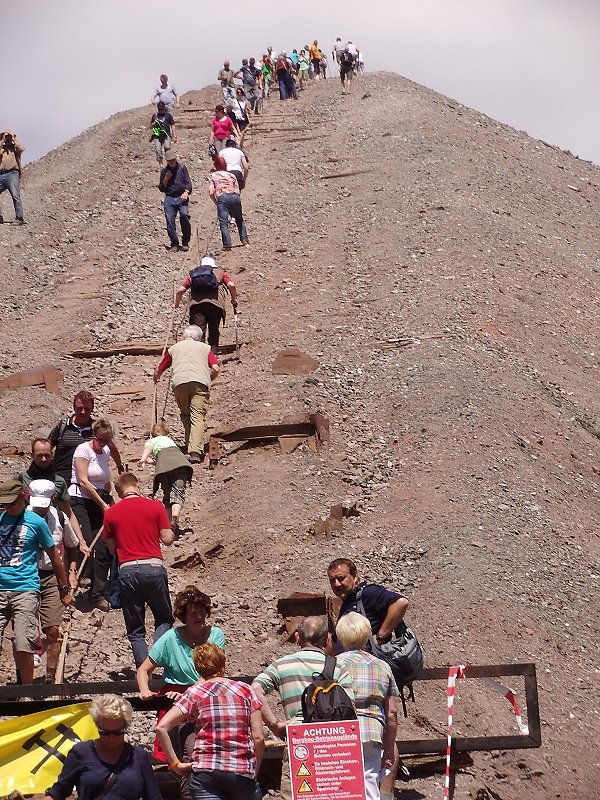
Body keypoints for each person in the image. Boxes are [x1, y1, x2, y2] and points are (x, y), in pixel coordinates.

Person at [327, 558, 410, 799]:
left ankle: (384, 792)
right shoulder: (348, 603)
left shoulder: (369, 593)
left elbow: (401, 602)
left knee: (384, 727)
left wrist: (380, 636)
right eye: (333, 580)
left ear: (355, 575)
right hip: (364, 670)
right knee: (379, 730)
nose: (337, 583)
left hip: (372, 670)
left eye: (341, 578)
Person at [252, 615, 354, 800]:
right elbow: (351, 706)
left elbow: (255, 690)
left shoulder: (281, 665)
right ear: (327, 639)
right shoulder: (338, 666)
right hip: (334, 743)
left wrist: (274, 725)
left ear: (297, 637)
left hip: (298, 740)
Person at [157, 643, 264, 800]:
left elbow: (162, 727)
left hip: (205, 770)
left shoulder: (195, 692)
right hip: (241, 769)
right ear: (223, 661)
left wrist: (175, 764)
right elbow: (259, 737)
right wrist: (254, 769)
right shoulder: (245, 690)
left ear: (198, 668)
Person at [137, 586, 225, 763]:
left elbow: (213, 671)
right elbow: (143, 669)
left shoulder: (215, 634)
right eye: (193, 613)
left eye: (201, 612)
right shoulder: (171, 638)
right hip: (173, 695)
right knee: (171, 747)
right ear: (184, 616)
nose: (199, 617)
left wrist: (189, 695)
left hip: (206, 692)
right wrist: (145, 690)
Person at [0, 476, 72, 686]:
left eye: (12, 502)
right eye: (4, 504)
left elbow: (55, 557)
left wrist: (63, 587)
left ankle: (27, 691)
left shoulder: (36, 523)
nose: (8, 507)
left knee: (24, 642)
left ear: (23, 497)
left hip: (25, 588)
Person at [103, 472, 174, 668]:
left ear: (119, 493)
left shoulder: (110, 513)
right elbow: (167, 539)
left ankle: (144, 672)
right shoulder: (155, 506)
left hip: (127, 570)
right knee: (163, 617)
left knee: (135, 629)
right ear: (137, 485)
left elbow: (111, 548)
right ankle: (158, 658)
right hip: (153, 567)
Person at [44, 694, 161, 800]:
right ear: (97, 725)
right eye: (105, 732)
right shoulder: (81, 752)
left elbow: (154, 796)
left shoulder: (139, 756)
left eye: (117, 732)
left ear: (126, 727)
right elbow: (58, 792)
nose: (111, 738)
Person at [336, 612, 399, 800]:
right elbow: (392, 713)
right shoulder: (382, 667)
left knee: (342, 785)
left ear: (341, 636)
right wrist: (389, 748)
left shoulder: (334, 665)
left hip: (341, 731)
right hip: (372, 732)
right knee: (369, 782)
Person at [28, 479, 80, 683]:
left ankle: (50, 677)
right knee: (27, 631)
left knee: (53, 629)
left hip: (52, 576)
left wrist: (72, 571)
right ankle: (26, 680)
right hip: (27, 575)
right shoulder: (21, 518)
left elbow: (72, 544)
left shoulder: (60, 517)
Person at [153, 326, 220, 464]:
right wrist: (209, 379)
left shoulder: (174, 348)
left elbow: (160, 368)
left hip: (180, 384)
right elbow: (215, 367)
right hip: (200, 384)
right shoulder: (205, 348)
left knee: (186, 414)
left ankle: (190, 444)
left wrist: (156, 377)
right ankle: (195, 451)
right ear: (199, 337)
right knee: (198, 416)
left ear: (185, 336)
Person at [68, 418, 116, 612]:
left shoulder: (105, 452)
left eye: (105, 441)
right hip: (81, 499)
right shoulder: (83, 450)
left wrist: (111, 498)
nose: (102, 444)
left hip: (100, 500)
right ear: (94, 436)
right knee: (86, 539)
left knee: (103, 546)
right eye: (99, 440)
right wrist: (103, 504)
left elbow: (106, 479)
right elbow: (84, 481)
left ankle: (97, 593)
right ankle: (81, 577)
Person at [23, 437, 88, 556]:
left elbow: (69, 513)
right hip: (27, 536)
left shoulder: (58, 482)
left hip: (52, 535)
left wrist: (81, 541)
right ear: (32, 455)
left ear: (52, 455)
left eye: (47, 455)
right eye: (39, 455)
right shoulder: (21, 481)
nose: (43, 459)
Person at [49, 390, 124, 485]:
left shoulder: (97, 429)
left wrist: (120, 467)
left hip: (88, 484)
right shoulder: (63, 426)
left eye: (87, 409)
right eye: (79, 408)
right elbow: (47, 447)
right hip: (61, 481)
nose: (83, 412)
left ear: (92, 409)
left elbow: (111, 447)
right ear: (74, 408)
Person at [138, 421, 193, 533]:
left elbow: (149, 449)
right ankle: (174, 518)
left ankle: (168, 525)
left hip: (164, 468)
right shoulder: (169, 441)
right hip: (179, 463)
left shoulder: (152, 441)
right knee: (178, 492)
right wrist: (153, 462)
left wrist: (143, 459)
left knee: (167, 495)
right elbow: (169, 457)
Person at [174, 255, 238, 353]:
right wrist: (234, 300)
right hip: (215, 305)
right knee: (214, 330)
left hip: (196, 307)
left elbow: (180, 290)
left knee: (198, 332)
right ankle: (212, 355)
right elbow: (231, 285)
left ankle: (200, 356)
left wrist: (176, 304)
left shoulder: (193, 274)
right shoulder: (220, 272)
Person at [209, 156, 249, 251]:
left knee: (223, 222)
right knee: (239, 219)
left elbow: (211, 192)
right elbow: (237, 189)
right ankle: (244, 240)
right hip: (235, 196)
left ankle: (227, 245)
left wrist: (216, 202)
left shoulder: (214, 176)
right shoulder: (232, 175)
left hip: (222, 198)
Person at [159, 151, 192, 252]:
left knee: (184, 216)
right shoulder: (164, 171)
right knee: (169, 220)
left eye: (173, 160)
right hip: (169, 197)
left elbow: (188, 183)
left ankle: (185, 241)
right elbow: (161, 188)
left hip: (181, 196)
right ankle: (174, 243)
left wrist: (186, 192)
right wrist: (166, 179)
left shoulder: (182, 168)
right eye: (170, 161)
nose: (172, 162)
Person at [0, 130, 25, 224]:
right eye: (5, 136)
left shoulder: (14, 149)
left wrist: (14, 139)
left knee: (15, 194)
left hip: (12, 174)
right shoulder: (1, 149)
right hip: (1, 174)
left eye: (8, 136)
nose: (7, 138)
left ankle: (19, 218)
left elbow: (21, 149)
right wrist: (2, 140)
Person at [150, 101, 176, 167]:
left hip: (166, 134)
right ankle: (161, 165)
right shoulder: (155, 115)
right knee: (158, 149)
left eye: (162, 109)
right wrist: (154, 123)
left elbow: (172, 125)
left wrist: (174, 135)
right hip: (158, 135)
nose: (161, 110)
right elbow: (150, 126)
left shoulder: (168, 115)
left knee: (167, 147)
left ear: (164, 108)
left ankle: (169, 162)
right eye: (159, 109)